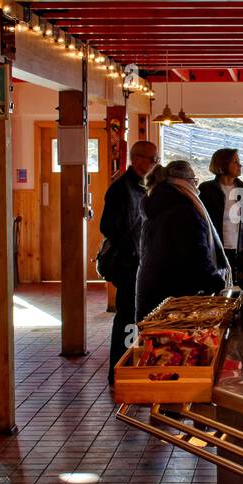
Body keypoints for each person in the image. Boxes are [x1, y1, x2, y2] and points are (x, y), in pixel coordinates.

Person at [136, 160, 228, 320]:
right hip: (174, 298)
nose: (196, 188)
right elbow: (195, 256)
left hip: (152, 291)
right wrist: (218, 284)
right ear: (184, 182)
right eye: (194, 181)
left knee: (153, 342)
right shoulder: (184, 212)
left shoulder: (157, 205)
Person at [100, 140, 157, 383]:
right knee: (126, 317)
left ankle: (128, 365)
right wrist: (132, 249)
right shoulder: (121, 188)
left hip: (138, 262)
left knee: (135, 316)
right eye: (152, 159)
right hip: (127, 265)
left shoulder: (143, 186)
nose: (155, 164)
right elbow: (108, 227)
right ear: (137, 159)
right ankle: (119, 370)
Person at [198, 148, 243, 283]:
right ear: (222, 164)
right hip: (215, 248)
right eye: (235, 162)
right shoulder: (206, 190)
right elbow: (201, 222)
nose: (240, 165)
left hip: (240, 249)